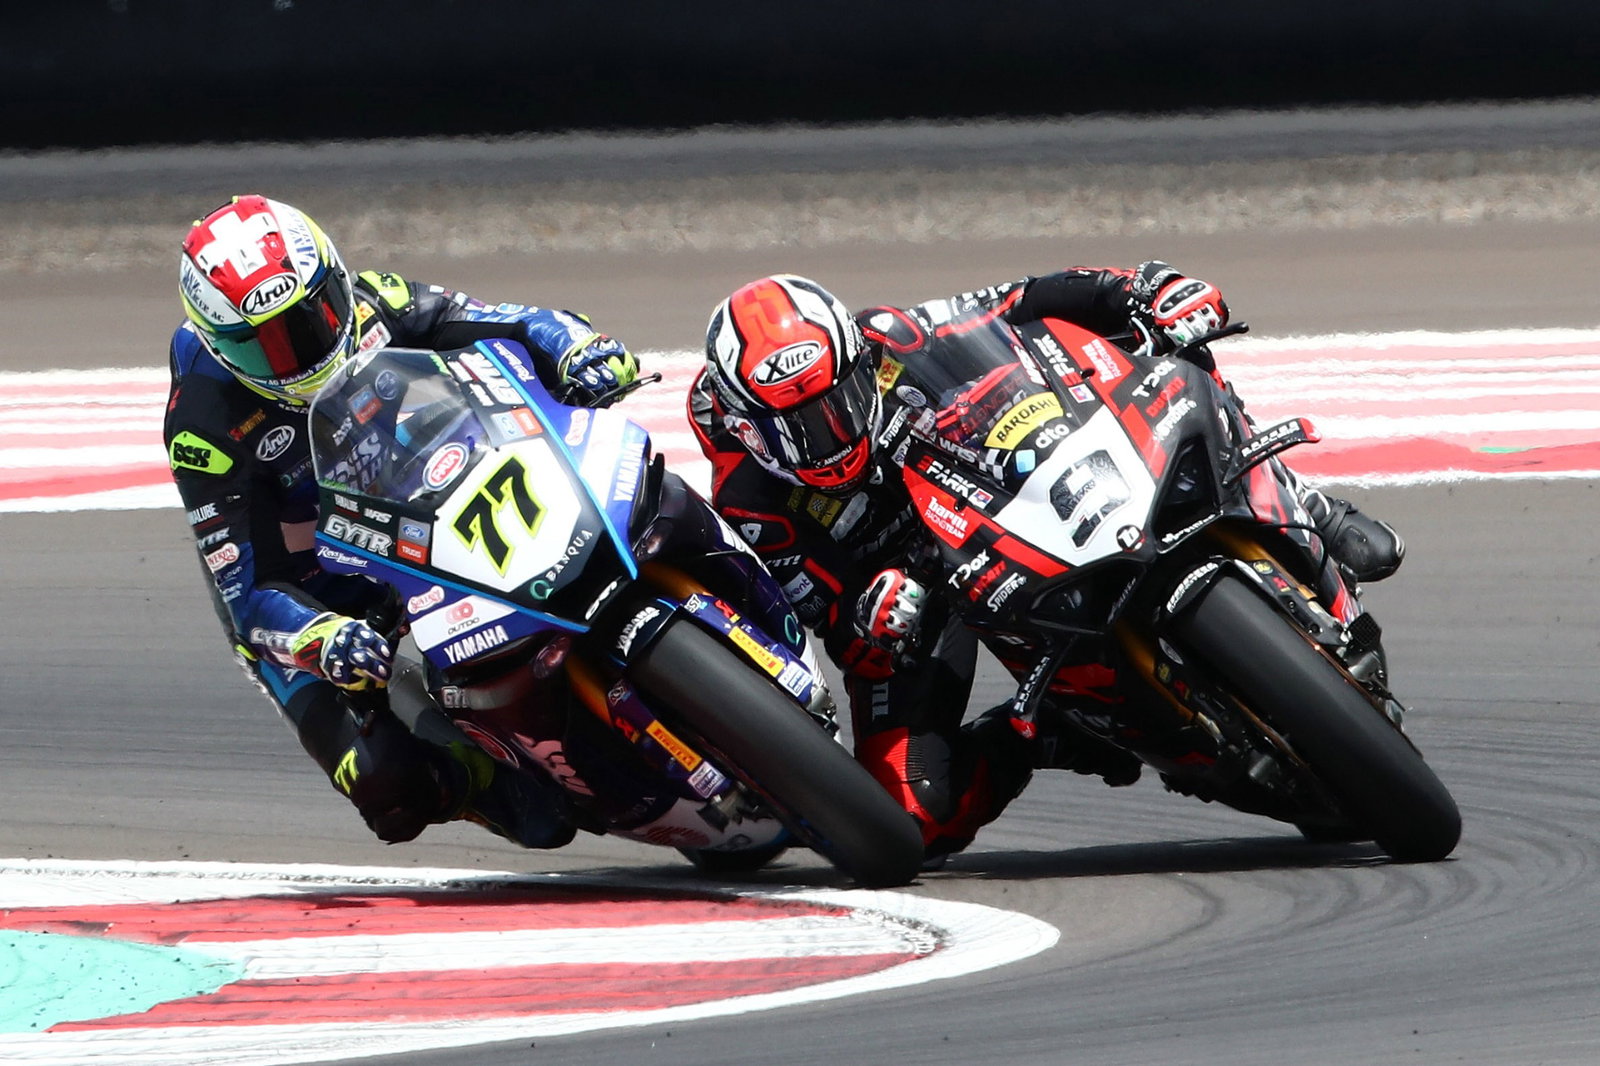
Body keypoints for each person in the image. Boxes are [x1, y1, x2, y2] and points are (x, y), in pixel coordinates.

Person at [687, 266, 1404, 863]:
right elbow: (811, 612)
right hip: (914, 596)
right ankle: (1043, 734)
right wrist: (864, 613)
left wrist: (1141, 290)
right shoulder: (749, 497)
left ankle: (1307, 506)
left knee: (1174, 358)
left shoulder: (892, 338)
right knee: (910, 820)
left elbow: (1022, 303)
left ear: (855, 362)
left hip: (998, 495)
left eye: (839, 402)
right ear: (749, 425)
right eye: (799, 425)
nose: (830, 433)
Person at [166, 194, 639, 847]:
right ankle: (474, 775)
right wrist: (322, 636)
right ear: (221, 349)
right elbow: (249, 594)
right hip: (322, 598)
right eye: (261, 347)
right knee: (390, 786)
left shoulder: (374, 303)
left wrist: (575, 345)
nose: (294, 355)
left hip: (424, 508)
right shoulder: (203, 424)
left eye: (307, 320)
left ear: (334, 279)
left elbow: (506, 320)